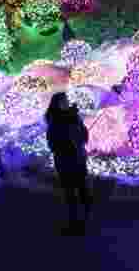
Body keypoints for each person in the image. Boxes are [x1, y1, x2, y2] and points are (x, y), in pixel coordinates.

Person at [45, 92, 92, 235]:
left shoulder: (72, 116)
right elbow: (52, 140)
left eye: (66, 100)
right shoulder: (55, 120)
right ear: (57, 104)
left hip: (75, 157)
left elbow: (83, 134)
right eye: (63, 101)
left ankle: (82, 220)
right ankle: (76, 221)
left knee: (80, 188)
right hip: (66, 159)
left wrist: (81, 138)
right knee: (71, 191)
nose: (66, 103)